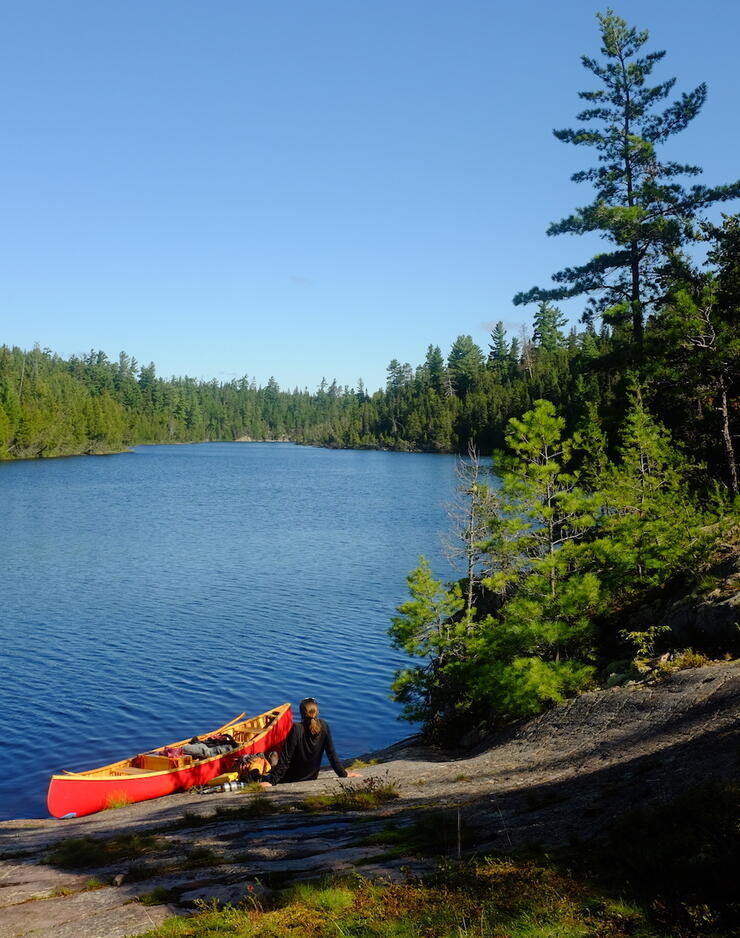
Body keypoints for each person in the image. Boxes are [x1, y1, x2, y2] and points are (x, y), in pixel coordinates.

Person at [260, 697, 360, 787]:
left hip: (291, 777)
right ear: (317, 712)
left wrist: (272, 782)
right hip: (311, 776)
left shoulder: (296, 729)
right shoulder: (324, 726)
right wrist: (344, 774)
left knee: (273, 755)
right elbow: (331, 754)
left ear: (301, 713)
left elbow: (286, 758)